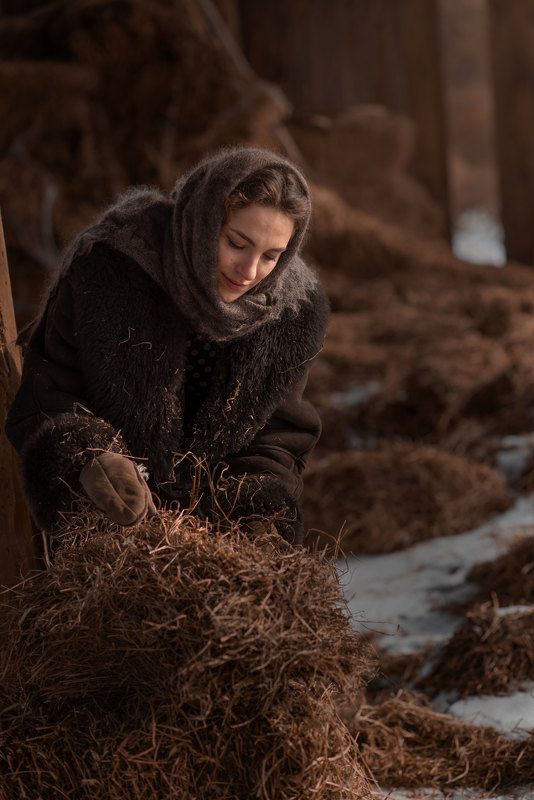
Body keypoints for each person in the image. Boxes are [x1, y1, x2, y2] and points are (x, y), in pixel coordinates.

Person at [5, 146, 329, 545]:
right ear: (204, 221)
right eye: (237, 243)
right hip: (105, 529)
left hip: (212, 541)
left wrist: (256, 508)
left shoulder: (290, 314)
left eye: (272, 256)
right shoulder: (112, 270)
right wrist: (91, 459)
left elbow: (278, 434)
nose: (249, 272)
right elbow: (49, 393)